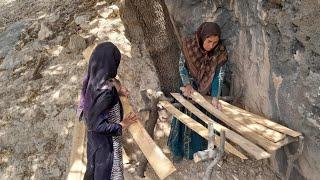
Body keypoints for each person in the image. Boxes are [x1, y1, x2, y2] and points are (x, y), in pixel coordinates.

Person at [168, 22, 228, 161]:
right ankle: (178, 152)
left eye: (215, 42)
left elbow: (219, 75)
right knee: (184, 117)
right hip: (188, 86)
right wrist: (187, 84)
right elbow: (182, 66)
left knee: (205, 119)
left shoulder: (219, 52)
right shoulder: (189, 44)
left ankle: (202, 153)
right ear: (202, 38)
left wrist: (215, 96)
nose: (211, 45)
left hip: (206, 91)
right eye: (209, 41)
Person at [77, 42, 138, 180]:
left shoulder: (92, 77)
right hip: (107, 142)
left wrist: (118, 89)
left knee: (94, 170)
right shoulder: (105, 93)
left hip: (96, 141)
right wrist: (122, 125)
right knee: (110, 173)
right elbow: (96, 125)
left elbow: (110, 84)